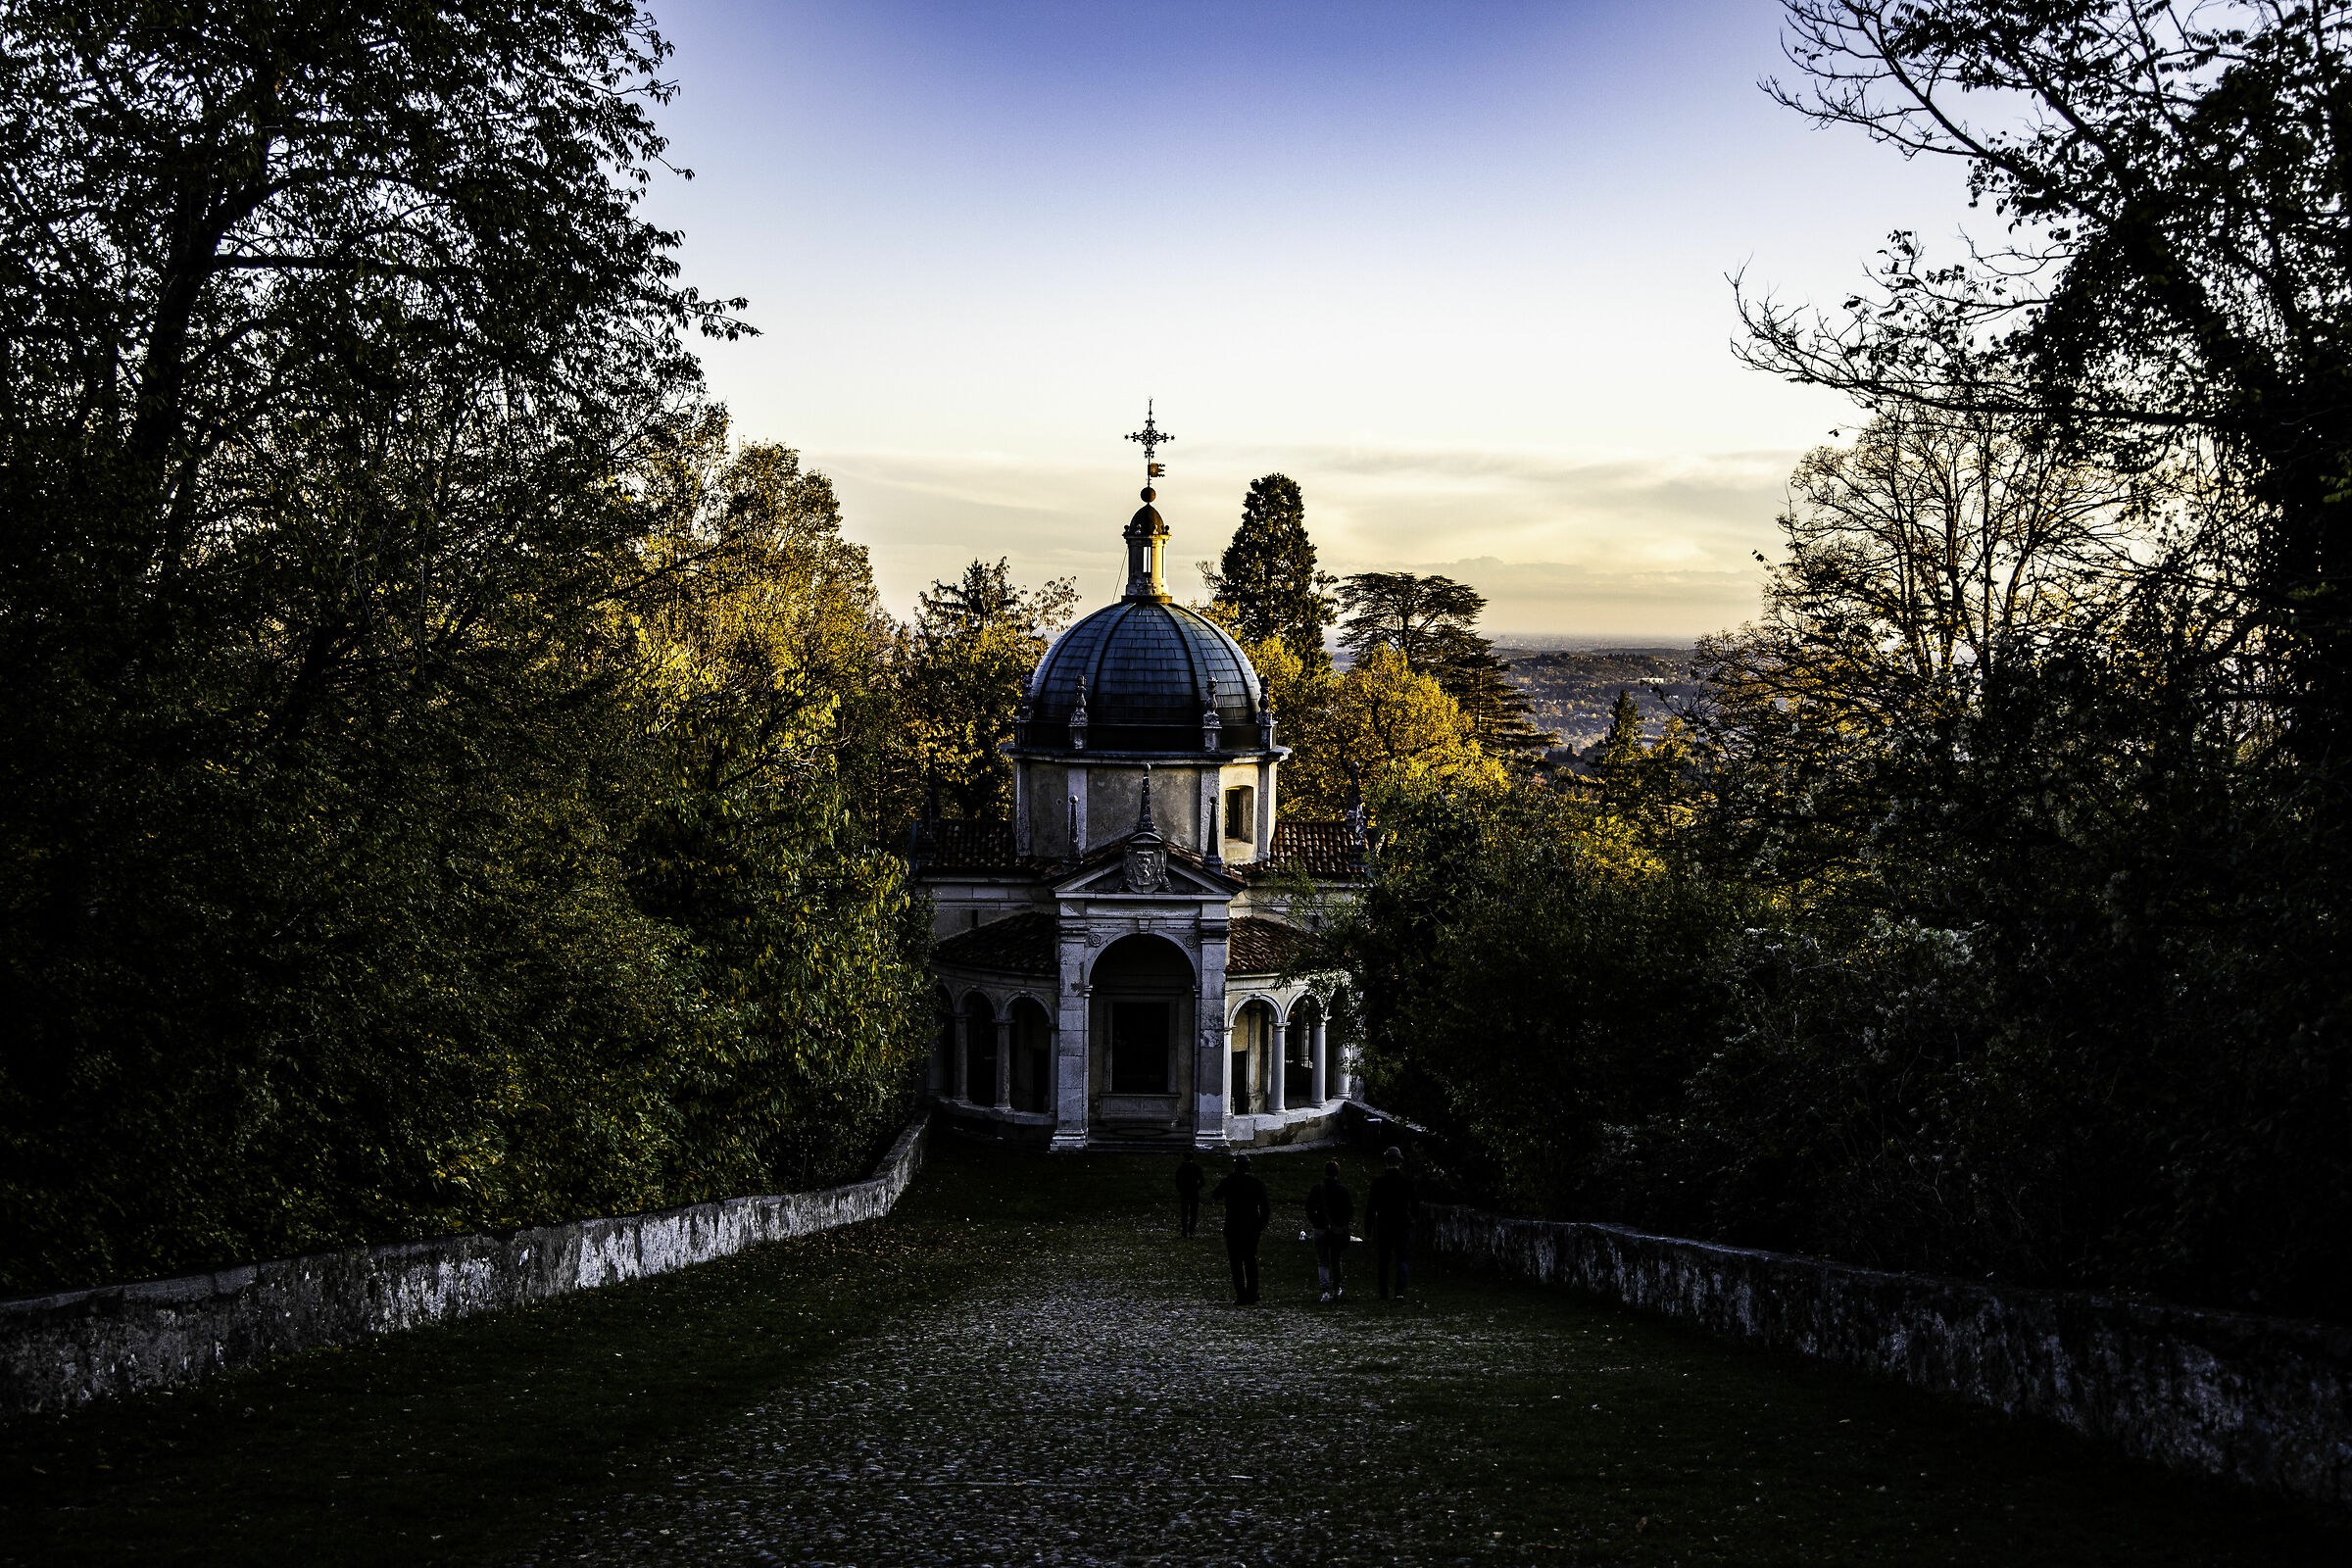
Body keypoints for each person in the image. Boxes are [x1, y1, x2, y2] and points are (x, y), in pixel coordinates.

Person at [1210, 1153, 1271, 1303]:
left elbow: (1215, 1195)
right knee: (1251, 1260)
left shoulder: (1230, 1181)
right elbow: (1265, 1206)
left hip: (1233, 1226)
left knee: (1236, 1263)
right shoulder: (1256, 1183)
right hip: (1251, 1227)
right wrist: (1262, 1223)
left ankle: (1241, 1295)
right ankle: (1252, 1293)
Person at [1365, 1145, 1416, 1299]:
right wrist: (1413, 1220)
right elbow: (1414, 1205)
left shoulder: (1378, 1183)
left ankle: (1383, 1292)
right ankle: (1399, 1291)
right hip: (1402, 1223)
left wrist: (1368, 1227)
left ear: (1386, 1162)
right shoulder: (1406, 1182)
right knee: (1402, 1258)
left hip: (1384, 1224)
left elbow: (1371, 1207)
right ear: (1399, 1163)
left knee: (1384, 1260)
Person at [1306, 1159, 1353, 1303]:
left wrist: (1315, 1221)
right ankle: (1337, 1287)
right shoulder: (1343, 1190)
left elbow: (1309, 1208)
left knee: (1322, 1261)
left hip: (1320, 1228)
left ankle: (1325, 1291)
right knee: (1336, 1259)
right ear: (1337, 1173)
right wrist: (1343, 1224)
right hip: (1336, 1229)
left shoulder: (1317, 1189)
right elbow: (1349, 1211)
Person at [1175, 1151, 1203, 1237]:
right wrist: (1197, 1187)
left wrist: (1180, 1189)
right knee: (1193, 1212)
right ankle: (1191, 1231)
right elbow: (1202, 1181)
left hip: (1184, 1191)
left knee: (1184, 1212)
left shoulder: (1181, 1168)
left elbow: (1177, 1181)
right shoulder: (1196, 1167)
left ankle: (1184, 1231)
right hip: (1194, 1191)